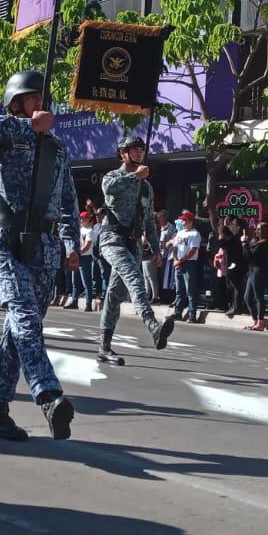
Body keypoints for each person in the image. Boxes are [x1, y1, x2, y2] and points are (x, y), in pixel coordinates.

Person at [0, 70, 79, 442]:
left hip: (45, 249)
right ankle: (48, 395)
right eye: (32, 98)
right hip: (8, 241)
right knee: (24, 319)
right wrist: (25, 127)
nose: (40, 104)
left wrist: (72, 243)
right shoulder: (5, 134)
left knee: (15, 336)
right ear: (17, 103)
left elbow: (68, 200)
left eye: (42, 98)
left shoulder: (56, 148)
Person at [96, 135, 175, 365]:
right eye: (134, 149)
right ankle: (153, 326)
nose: (139, 152)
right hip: (112, 239)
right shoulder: (114, 176)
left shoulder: (147, 187)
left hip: (134, 243)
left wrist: (156, 249)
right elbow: (108, 189)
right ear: (123, 153)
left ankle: (104, 347)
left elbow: (149, 222)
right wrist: (134, 176)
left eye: (141, 149)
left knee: (114, 296)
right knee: (134, 276)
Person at [241, 224, 268, 332]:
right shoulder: (255, 242)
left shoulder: (265, 243)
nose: (257, 231)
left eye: (259, 229)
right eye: (256, 229)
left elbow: (252, 256)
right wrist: (246, 244)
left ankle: (260, 322)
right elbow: (246, 256)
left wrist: (244, 244)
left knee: (258, 297)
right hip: (252, 270)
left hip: (259, 271)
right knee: (247, 297)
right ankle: (256, 320)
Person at [171, 210, 204, 324]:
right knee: (179, 289)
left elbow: (193, 250)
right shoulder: (180, 233)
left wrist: (180, 260)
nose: (182, 222)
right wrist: (176, 260)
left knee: (190, 290)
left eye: (184, 220)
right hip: (179, 263)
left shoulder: (195, 234)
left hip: (189, 263)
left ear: (190, 221)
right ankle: (178, 312)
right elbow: (175, 247)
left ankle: (192, 314)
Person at [68, 210, 98, 311]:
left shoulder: (90, 231)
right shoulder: (79, 230)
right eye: (81, 219)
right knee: (74, 281)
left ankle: (88, 303)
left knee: (86, 281)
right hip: (77, 256)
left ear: (88, 220)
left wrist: (78, 253)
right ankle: (74, 301)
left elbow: (87, 245)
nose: (81, 220)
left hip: (85, 257)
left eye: (84, 219)